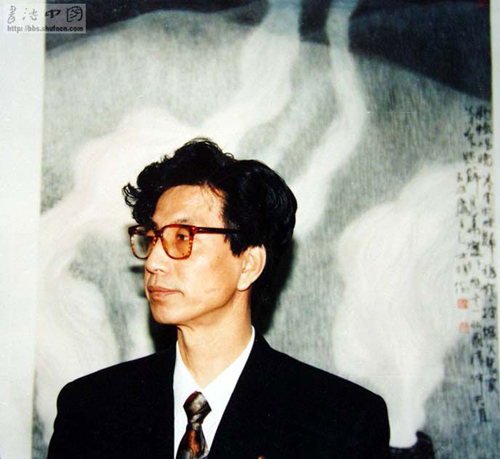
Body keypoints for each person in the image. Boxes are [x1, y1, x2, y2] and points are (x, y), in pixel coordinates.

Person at [47, 139, 390, 459]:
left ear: (249, 264)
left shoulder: (341, 421)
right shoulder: (90, 408)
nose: (153, 262)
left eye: (183, 237)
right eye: (152, 238)